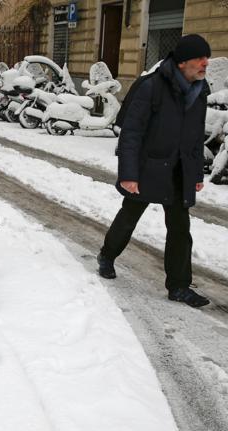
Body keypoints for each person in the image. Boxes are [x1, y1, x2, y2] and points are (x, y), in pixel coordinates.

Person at [97, 34, 211, 308]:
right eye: (200, 57)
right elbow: (132, 133)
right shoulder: (152, 87)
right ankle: (107, 256)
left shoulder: (200, 91)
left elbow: (195, 138)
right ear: (183, 62)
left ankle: (179, 286)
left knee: (180, 228)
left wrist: (195, 174)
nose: (206, 62)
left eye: (206, 57)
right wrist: (129, 174)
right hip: (149, 167)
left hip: (179, 170)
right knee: (129, 216)